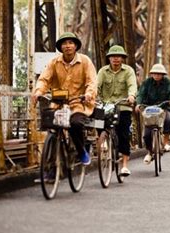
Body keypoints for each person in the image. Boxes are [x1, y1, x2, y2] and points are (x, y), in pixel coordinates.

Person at [31, 32, 97, 169]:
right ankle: (50, 167)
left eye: (71, 43)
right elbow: (44, 79)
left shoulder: (85, 61)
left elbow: (92, 81)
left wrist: (89, 94)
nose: (67, 46)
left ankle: (81, 150)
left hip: (78, 103)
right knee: (51, 128)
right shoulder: (54, 62)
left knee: (75, 124)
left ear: (76, 46)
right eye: (64, 43)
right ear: (60, 47)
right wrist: (38, 91)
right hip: (58, 104)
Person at [96, 45, 137, 176]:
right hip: (105, 105)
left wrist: (131, 96)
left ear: (122, 58)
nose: (116, 59)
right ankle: (103, 142)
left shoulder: (128, 71)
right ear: (109, 58)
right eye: (113, 56)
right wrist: (92, 95)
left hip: (122, 106)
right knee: (97, 120)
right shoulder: (103, 71)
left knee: (123, 133)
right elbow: (96, 85)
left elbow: (132, 85)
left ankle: (124, 165)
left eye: (119, 56)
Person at [135, 64, 170, 164]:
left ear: (163, 75)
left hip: (163, 108)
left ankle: (166, 143)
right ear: (151, 74)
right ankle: (149, 152)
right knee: (147, 134)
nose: (157, 75)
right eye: (155, 73)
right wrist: (138, 103)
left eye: (159, 74)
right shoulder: (146, 83)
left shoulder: (167, 82)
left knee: (168, 121)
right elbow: (141, 94)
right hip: (149, 109)